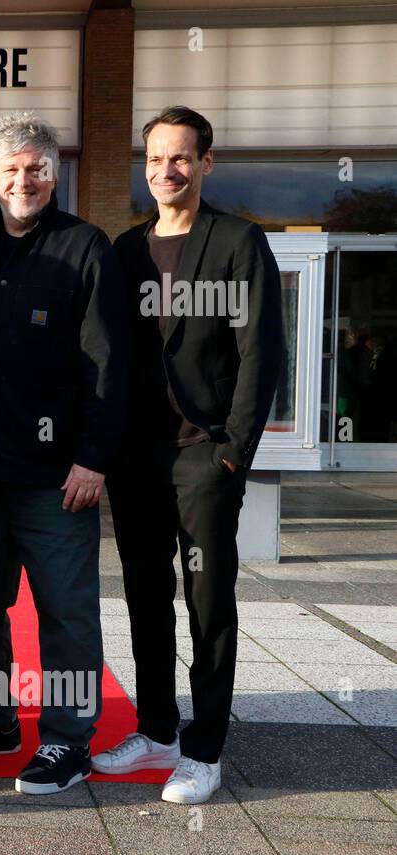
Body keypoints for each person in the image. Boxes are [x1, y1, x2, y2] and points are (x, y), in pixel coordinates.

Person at [0, 112, 128, 796]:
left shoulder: (86, 247)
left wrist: (95, 457)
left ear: (55, 174)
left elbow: (109, 363)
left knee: (65, 611)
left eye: (37, 167)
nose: (24, 179)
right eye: (11, 168)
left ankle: (69, 738)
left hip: (57, 477)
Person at [96, 106, 283, 804]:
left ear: (205, 163)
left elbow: (261, 352)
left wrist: (233, 452)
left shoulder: (237, 242)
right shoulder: (125, 249)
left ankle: (204, 749)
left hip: (204, 457)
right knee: (146, 595)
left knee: (209, 601)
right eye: (153, 160)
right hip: (138, 460)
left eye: (179, 158)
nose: (164, 171)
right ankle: (157, 729)